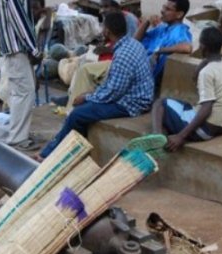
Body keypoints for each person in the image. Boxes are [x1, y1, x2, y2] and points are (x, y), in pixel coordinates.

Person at [36, 11, 154, 161]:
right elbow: (113, 86)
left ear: (107, 31)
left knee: (77, 114)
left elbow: (113, 92)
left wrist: (87, 97)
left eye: (103, 27)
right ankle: (65, 151)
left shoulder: (123, 54)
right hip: (133, 97)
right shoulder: (132, 43)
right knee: (83, 109)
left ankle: (50, 155)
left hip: (131, 104)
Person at [151, 26, 222, 151]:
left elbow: (207, 107)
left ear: (203, 47)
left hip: (205, 129)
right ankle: (164, 133)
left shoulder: (207, 73)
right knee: (185, 105)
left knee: (160, 103)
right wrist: (205, 61)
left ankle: (156, 137)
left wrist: (181, 137)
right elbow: (195, 76)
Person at [0, 0, 42, 151]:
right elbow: (20, 20)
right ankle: (18, 139)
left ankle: (18, 135)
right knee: (25, 93)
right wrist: (34, 49)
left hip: (15, 47)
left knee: (20, 93)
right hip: (17, 49)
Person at [134, 0, 193, 86]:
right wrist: (147, 22)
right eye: (164, 7)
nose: (162, 11)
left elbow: (187, 47)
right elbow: (135, 42)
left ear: (179, 14)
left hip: (146, 83)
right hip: (139, 73)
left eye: (168, 9)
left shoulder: (179, 31)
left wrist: (160, 50)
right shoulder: (162, 28)